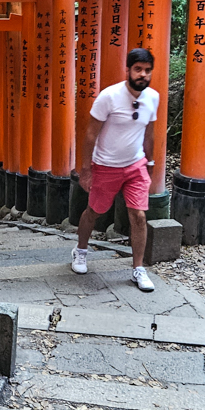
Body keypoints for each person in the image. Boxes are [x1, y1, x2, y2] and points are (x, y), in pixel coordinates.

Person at [71, 47, 159, 292]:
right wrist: (86, 170)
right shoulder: (109, 97)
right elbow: (90, 135)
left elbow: (149, 133)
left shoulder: (152, 97)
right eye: (138, 69)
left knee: (138, 216)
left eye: (147, 70)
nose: (143, 75)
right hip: (106, 165)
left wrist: (150, 162)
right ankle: (80, 251)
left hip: (135, 164)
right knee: (95, 211)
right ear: (128, 70)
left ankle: (138, 268)